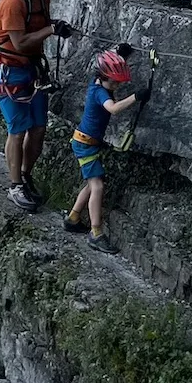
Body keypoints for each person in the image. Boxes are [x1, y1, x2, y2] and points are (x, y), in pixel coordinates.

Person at [0, 0, 74, 212]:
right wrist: (50, 30)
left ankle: (26, 175)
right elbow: (20, 41)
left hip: (33, 68)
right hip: (10, 70)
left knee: (38, 128)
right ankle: (15, 186)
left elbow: (40, 27)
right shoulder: (12, 1)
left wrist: (55, 26)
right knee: (17, 130)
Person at [63, 47, 146, 252]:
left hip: (85, 142)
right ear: (104, 76)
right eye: (114, 82)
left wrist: (120, 53)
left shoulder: (98, 82)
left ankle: (73, 218)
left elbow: (106, 59)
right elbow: (113, 109)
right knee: (98, 186)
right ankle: (96, 233)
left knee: (92, 185)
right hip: (85, 145)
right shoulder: (100, 92)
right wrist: (136, 96)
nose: (117, 86)